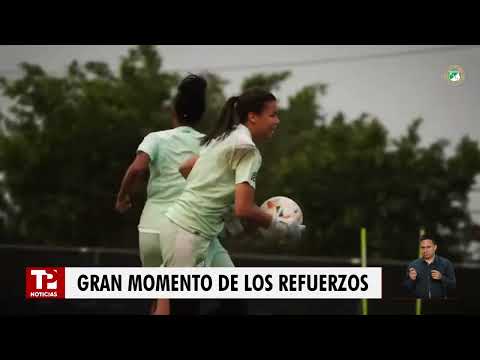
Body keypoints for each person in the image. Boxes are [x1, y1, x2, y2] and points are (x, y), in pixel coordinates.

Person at [150, 88, 306, 315]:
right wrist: (282, 227)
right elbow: (244, 209)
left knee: (234, 306)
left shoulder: (224, 137)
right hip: (186, 235)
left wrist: (219, 204)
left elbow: (186, 167)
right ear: (253, 116)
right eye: (272, 115)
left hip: (201, 236)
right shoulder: (247, 149)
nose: (277, 121)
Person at [115, 74, 234, 315]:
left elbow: (137, 168)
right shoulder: (207, 144)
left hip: (150, 230)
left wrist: (122, 197)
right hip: (186, 229)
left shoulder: (156, 138)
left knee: (162, 298)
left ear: (174, 112)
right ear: (201, 115)